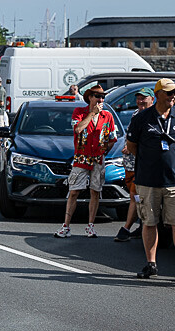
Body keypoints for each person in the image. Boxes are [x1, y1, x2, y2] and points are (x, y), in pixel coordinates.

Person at [125, 78, 175, 278]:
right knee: (149, 222)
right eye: (169, 93)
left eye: (174, 93)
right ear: (158, 95)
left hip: (173, 181)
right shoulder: (142, 118)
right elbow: (132, 146)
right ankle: (151, 264)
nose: (173, 96)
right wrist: (149, 161)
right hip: (148, 180)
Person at [54, 85, 117, 238]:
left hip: (98, 158)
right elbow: (78, 129)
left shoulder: (107, 116)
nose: (100, 100)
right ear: (90, 97)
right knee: (74, 191)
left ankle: (90, 226)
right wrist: (91, 114)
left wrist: (104, 151)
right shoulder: (79, 112)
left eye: (102, 97)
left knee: (95, 191)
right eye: (97, 96)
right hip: (81, 157)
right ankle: (66, 226)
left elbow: (112, 138)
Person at [115, 87, 155, 242]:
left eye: (144, 98)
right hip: (130, 165)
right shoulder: (136, 115)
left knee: (135, 196)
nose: (140, 101)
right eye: (138, 98)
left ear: (152, 99)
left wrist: (132, 147)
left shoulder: (154, 117)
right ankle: (141, 226)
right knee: (138, 198)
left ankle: (125, 229)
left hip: (143, 165)